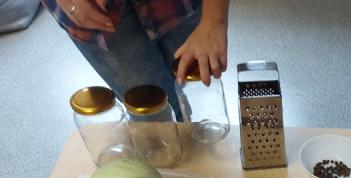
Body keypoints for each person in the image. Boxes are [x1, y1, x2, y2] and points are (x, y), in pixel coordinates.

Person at [42, 0, 229, 116]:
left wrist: (214, 20)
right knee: (153, 114)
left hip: (177, 4)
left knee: (197, 94)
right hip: (93, 11)